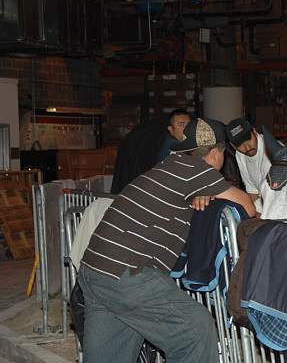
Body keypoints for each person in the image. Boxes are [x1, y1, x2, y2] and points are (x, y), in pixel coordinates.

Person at [78, 118, 256, 363]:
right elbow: (248, 206)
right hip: (128, 272)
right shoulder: (198, 171)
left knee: (109, 356)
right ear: (217, 153)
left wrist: (208, 193)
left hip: (96, 268)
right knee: (195, 329)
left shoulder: (172, 165)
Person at [226, 118, 272, 213]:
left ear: (254, 132)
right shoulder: (240, 154)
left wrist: (253, 213)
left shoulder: (270, 150)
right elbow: (252, 191)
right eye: (239, 144)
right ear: (233, 146)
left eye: (247, 139)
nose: (247, 147)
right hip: (263, 203)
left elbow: (272, 195)